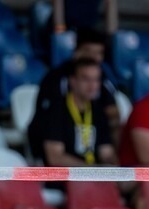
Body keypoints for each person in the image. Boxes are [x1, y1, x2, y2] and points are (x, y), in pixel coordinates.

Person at [29, 27, 119, 162]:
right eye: (89, 51)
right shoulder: (55, 79)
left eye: (99, 53)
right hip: (56, 150)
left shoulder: (103, 83)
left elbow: (113, 113)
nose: (94, 57)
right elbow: (43, 123)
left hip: (91, 158)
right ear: (77, 51)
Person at [42, 58, 117, 167]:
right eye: (86, 79)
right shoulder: (56, 109)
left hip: (94, 178)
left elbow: (106, 152)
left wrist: (112, 165)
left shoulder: (98, 110)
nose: (92, 86)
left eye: (96, 80)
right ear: (72, 81)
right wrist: (91, 171)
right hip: (64, 180)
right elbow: (55, 158)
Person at [54, 0, 118, 34]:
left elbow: (110, 6)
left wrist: (111, 35)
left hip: (88, 27)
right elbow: (58, 4)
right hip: (65, 25)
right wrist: (60, 32)